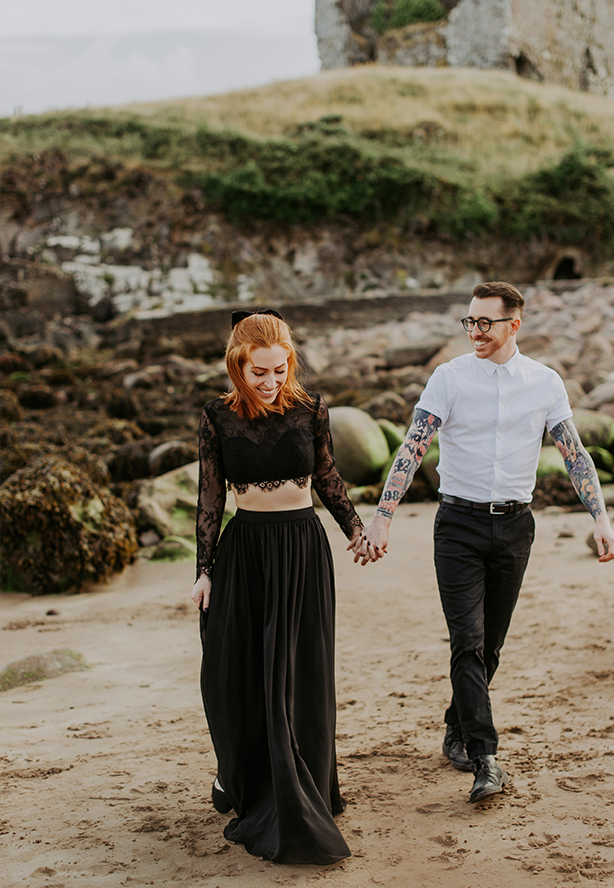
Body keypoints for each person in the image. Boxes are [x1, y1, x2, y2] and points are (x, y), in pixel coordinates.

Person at [354, 281, 614, 804]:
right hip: (458, 526)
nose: (474, 331)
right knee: (467, 642)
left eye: (485, 323)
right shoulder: (448, 379)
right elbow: (413, 446)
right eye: (469, 322)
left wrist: (602, 518)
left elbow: (574, 453)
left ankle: (457, 724)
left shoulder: (544, 382)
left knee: (489, 646)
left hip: (516, 528)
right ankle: (485, 756)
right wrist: (382, 517)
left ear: (513, 325)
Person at [190, 308, 362, 865]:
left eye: (279, 370)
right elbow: (210, 499)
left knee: (300, 669)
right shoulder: (216, 417)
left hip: (303, 549)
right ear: (238, 365)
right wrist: (204, 570)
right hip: (246, 554)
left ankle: (308, 781)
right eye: (258, 372)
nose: (270, 383)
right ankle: (240, 778)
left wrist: (356, 528)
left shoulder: (312, 410)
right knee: (234, 671)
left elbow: (329, 477)